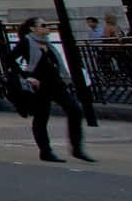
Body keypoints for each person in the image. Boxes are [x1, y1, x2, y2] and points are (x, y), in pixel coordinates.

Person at [15, 17, 94, 163]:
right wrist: (27, 76)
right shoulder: (26, 42)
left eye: (48, 25)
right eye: (43, 25)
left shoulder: (47, 44)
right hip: (39, 86)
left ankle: (77, 148)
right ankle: (45, 151)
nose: (47, 28)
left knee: (75, 110)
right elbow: (9, 59)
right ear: (33, 28)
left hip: (56, 84)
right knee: (41, 118)